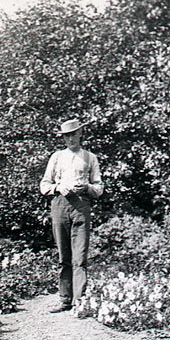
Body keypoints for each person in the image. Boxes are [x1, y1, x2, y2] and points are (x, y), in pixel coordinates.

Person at [40, 118, 104, 313]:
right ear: (63, 138)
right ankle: (65, 299)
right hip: (60, 204)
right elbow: (44, 185)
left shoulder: (90, 157)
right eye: (67, 136)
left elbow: (99, 187)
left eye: (73, 134)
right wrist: (59, 187)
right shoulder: (57, 157)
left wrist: (87, 187)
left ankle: (80, 301)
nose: (70, 139)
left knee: (80, 256)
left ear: (80, 134)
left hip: (82, 205)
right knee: (64, 255)